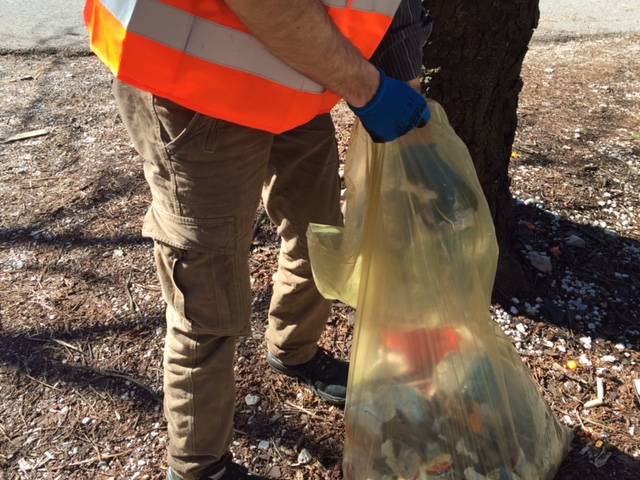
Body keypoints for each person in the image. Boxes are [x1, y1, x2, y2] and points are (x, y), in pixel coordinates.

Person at [84, 0, 432, 478]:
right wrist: (367, 88)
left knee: (318, 232)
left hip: (294, 75)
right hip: (191, 81)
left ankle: (293, 350)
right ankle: (199, 467)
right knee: (208, 291)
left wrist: (403, 81)